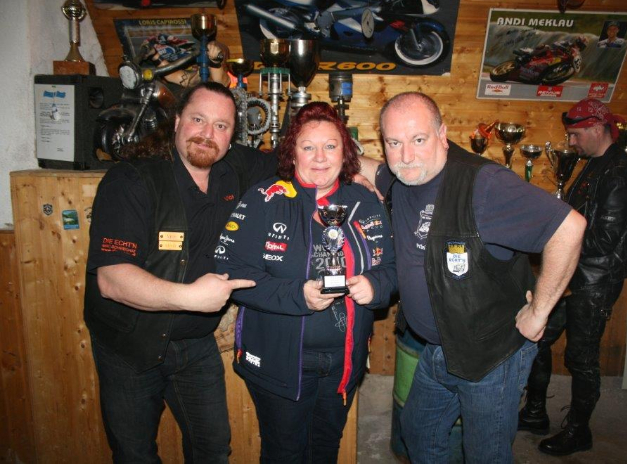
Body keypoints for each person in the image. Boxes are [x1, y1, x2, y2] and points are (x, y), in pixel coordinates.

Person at [360, 92, 586, 463]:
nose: (406, 155)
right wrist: (329, 148)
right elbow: (370, 167)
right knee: (418, 433)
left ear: (442, 135)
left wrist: (540, 311)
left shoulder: (484, 184)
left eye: (418, 139)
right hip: (440, 348)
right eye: (393, 142)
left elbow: (569, 227)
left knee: (485, 454)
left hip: (491, 355)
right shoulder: (401, 178)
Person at [84, 81, 278, 463]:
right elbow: (111, 278)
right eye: (198, 120)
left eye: (221, 126)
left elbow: (307, 158)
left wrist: (361, 172)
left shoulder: (236, 167)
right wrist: (191, 297)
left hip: (194, 343)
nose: (208, 134)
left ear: (232, 137)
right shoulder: (131, 180)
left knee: (213, 450)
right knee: (135, 454)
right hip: (129, 344)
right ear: (176, 122)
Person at [215, 102, 397, 462]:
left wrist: (376, 286)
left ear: (345, 151)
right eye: (308, 146)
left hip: (343, 364)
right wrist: (297, 295)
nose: (320, 157)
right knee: (284, 454)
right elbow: (231, 270)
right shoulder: (265, 198)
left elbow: (392, 268)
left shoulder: (364, 200)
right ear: (292, 152)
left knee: (325, 451)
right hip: (279, 363)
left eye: (330, 146)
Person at [517, 98, 627, 456]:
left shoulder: (618, 173)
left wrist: (554, 243)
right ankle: (536, 413)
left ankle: (578, 431)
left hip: (595, 280)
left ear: (597, 128)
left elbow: (603, 240)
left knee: (581, 357)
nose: (571, 142)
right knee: (539, 338)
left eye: (575, 135)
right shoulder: (597, 165)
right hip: (573, 274)